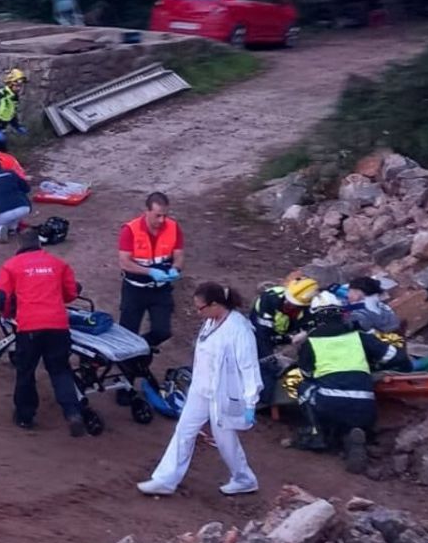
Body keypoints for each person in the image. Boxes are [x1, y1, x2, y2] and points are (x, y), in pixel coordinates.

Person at [137, 282, 261, 496]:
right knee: (184, 431)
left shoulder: (239, 330)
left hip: (222, 393)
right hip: (201, 388)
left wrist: (251, 401)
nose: (197, 312)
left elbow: (249, 367)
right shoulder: (211, 322)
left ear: (215, 305)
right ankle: (165, 479)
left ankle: (244, 478)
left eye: (200, 308)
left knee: (225, 440)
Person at [291, 291, 399, 473]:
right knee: (348, 414)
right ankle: (350, 437)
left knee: (304, 388)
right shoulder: (360, 336)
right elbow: (393, 355)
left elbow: (306, 373)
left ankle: (316, 434)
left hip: (329, 404)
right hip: (365, 405)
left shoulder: (311, 341)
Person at [0, 229, 86, 435]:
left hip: (29, 326)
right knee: (60, 370)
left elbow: (1, 298)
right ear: (40, 244)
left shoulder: (10, 266)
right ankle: (72, 413)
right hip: (57, 325)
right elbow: (71, 293)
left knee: (26, 370)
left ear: (19, 245)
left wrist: (8, 313)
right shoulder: (58, 264)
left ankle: (25, 417)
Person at [117, 192, 185, 348]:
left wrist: (175, 268)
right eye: (157, 216)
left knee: (162, 331)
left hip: (160, 291)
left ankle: (139, 349)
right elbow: (124, 263)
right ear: (146, 211)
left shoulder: (173, 228)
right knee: (127, 333)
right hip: (134, 290)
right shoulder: (130, 230)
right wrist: (150, 272)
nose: (162, 220)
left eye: (165, 215)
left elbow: (179, 256)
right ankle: (127, 361)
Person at [251, 275, 319, 402]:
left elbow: (315, 326)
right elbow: (263, 336)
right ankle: (262, 399)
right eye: (287, 300)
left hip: (284, 331)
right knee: (264, 361)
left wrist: (305, 333)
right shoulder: (269, 299)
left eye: (293, 304)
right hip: (259, 329)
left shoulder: (308, 312)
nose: (287, 305)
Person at [0, 149, 31, 242]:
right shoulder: (11, 173)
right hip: (23, 208)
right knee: (13, 217)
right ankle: (12, 228)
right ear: (0, 164)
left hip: (2, 212)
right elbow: (27, 189)